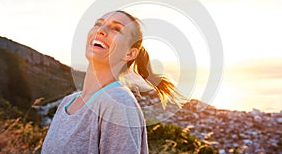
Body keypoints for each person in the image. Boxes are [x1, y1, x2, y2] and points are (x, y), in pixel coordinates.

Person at [41, 10, 184, 154]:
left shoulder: (118, 103)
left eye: (116, 28)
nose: (101, 30)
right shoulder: (67, 102)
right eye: (98, 24)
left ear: (130, 54)